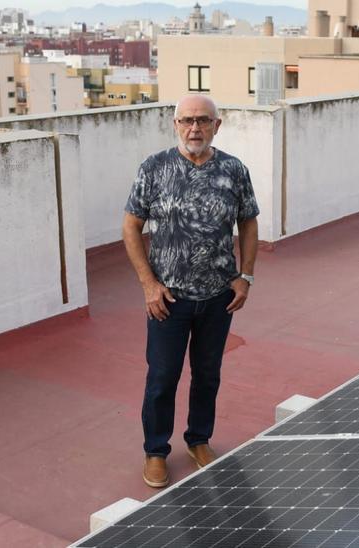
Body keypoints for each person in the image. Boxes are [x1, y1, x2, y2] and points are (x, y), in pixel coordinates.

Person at [122, 95, 259, 488]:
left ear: (218, 125)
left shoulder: (234, 170)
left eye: (202, 121)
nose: (194, 128)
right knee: (163, 376)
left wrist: (245, 276)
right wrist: (149, 285)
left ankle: (199, 440)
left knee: (208, 375)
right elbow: (131, 226)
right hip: (168, 300)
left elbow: (248, 223)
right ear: (174, 123)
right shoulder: (154, 168)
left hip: (219, 297)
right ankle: (155, 450)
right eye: (186, 121)